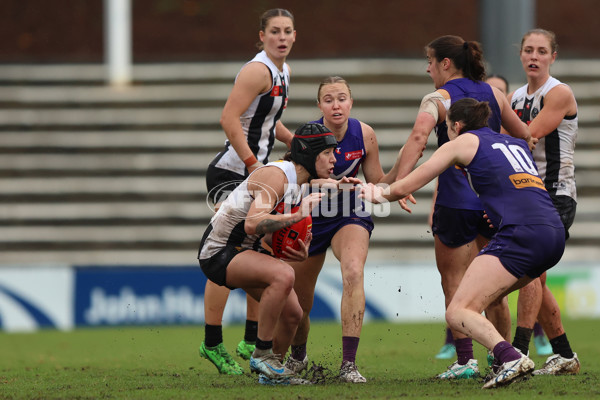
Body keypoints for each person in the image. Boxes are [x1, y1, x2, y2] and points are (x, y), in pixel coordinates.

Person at [360, 98, 566, 389]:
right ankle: (503, 363)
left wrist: (376, 192)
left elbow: (406, 185)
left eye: (447, 127)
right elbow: (521, 185)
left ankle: (511, 357)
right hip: (553, 233)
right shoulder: (514, 143)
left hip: (522, 234)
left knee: (457, 312)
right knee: (491, 297)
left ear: (456, 125)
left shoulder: (462, 142)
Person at [393, 35, 531, 379]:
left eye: (429, 61)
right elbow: (523, 135)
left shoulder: (437, 98)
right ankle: (503, 358)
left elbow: (417, 139)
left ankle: (465, 360)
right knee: (495, 288)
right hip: (492, 202)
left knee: (455, 284)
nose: (427, 68)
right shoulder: (495, 94)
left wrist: (400, 184)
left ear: (445, 64)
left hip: (455, 201)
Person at [198, 122, 338, 384]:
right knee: (284, 275)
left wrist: (293, 250)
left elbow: (268, 235)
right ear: (309, 154)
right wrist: (297, 215)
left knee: (293, 315)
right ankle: (262, 354)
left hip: (245, 249)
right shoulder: (278, 176)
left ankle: (271, 375)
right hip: (219, 250)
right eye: (328, 153)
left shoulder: (297, 182)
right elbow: (252, 223)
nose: (334, 158)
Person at [200, 8, 296, 375]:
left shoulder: (283, 71)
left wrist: (296, 141)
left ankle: (252, 337)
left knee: (260, 251)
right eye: (274, 31)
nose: (282, 37)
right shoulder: (257, 70)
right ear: (261, 36)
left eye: (287, 31)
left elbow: (268, 119)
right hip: (233, 172)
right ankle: (212, 343)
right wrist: (253, 163)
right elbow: (229, 118)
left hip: (256, 174)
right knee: (225, 254)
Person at [283, 76, 399, 383]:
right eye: (329, 99)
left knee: (352, 272)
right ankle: (298, 356)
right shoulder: (307, 136)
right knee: (300, 304)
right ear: (319, 105)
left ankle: (349, 364)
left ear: (351, 102)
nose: (337, 105)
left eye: (342, 98)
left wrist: (398, 183)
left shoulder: (365, 134)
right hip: (310, 217)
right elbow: (292, 179)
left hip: (349, 213)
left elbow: (376, 180)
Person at [507, 28, 580, 374]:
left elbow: (527, 136)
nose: (534, 56)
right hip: (528, 195)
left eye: (541, 51)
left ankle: (518, 353)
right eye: (528, 50)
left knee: (530, 270)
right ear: (520, 55)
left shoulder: (560, 93)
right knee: (536, 275)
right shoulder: (516, 96)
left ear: (553, 57)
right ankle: (564, 355)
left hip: (557, 194)